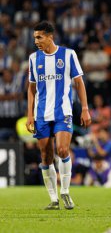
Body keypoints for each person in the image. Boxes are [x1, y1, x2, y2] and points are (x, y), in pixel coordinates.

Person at [26, 21, 91, 210]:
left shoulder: (68, 54)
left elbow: (79, 83)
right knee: (46, 157)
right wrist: (29, 114)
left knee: (62, 150)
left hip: (63, 111)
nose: (36, 41)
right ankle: (53, 199)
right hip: (41, 114)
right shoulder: (33, 59)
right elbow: (31, 89)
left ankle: (65, 192)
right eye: (34, 38)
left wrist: (85, 108)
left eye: (39, 37)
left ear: (50, 37)